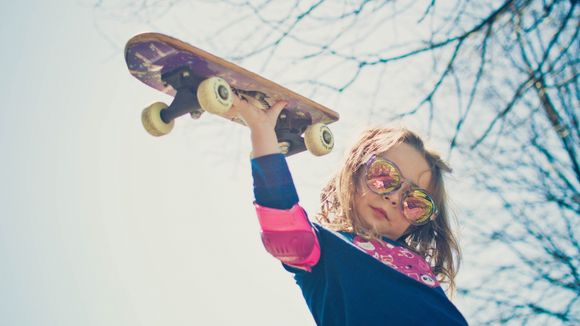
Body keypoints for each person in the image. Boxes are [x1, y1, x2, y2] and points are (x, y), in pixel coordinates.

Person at [234, 96, 468, 325]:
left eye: (416, 202)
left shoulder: (419, 266)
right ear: (355, 172)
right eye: (384, 175)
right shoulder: (324, 247)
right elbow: (284, 224)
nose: (395, 198)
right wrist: (263, 132)